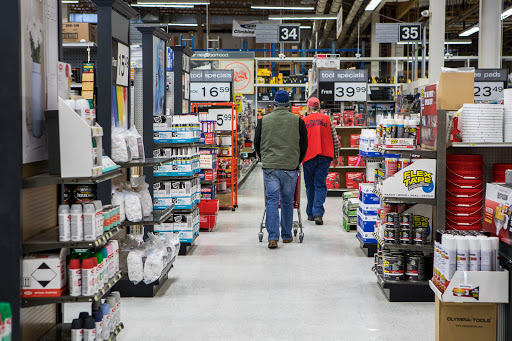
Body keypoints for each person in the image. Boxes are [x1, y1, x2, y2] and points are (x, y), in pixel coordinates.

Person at [255, 90, 308, 249]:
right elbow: (304, 145)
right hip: (290, 167)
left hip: (270, 166)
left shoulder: (263, 120)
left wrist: (263, 158)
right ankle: (286, 236)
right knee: (287, 201)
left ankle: (272, 237)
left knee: (272, 201)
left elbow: (257, 142)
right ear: (289, 106)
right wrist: (296, 161)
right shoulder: (298, 121)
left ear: (274, 105)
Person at [302, 97, 340, 225]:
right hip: (324, 156)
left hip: (308, 157)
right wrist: (336, 156)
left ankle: (310, 214)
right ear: (319, 107)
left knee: (309, 185)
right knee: (320, 184)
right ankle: (317, 212)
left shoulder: (304, 121)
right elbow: (335, 139)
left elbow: (299, 141)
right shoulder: (326, 119)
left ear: (308, 107)